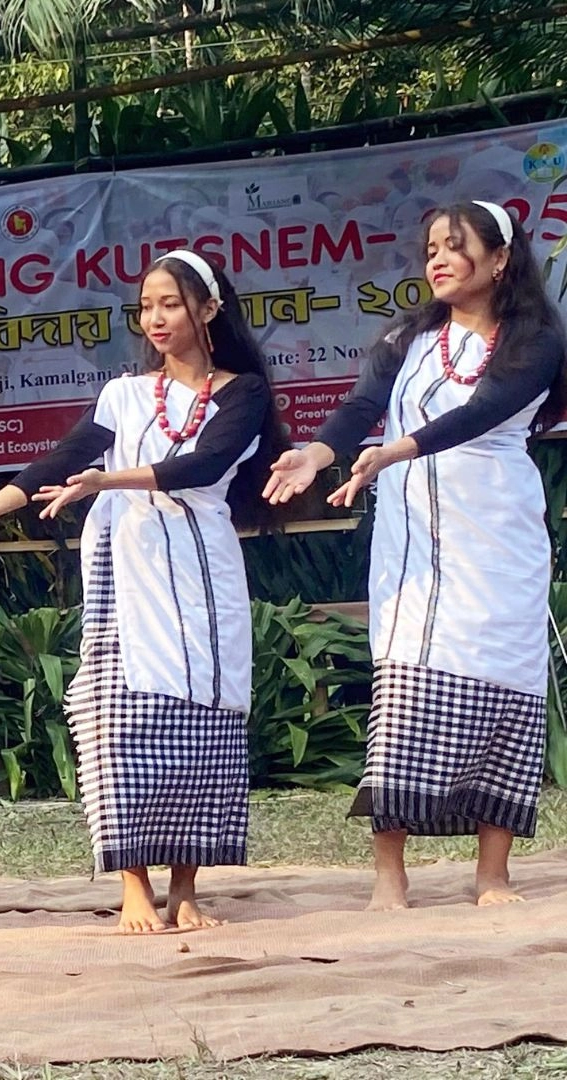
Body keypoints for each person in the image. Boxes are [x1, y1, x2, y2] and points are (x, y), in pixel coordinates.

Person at [0, 251, 285, 933]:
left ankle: (186, 889)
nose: (155, 318)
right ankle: (133, 886)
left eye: (171, 303)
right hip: (126, 573)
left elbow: (203, 463)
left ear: (209, 310)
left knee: (197, 722)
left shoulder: (243, 393)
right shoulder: (125, 395)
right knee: (113, 721)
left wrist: (103, 482)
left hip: (199, 569)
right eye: (147, 306)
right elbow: (60, 461)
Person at [265, 200, 567, 910]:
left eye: (454, 246)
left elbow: (481, 413)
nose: (437, 258)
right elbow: (358, 407)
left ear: (499, 260)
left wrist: (394, 449)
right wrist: (318, 451)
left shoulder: (534, 342)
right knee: (405, 684)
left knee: (505, 681)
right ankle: (388, 876)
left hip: (496, 530)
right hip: (413, 540)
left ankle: (492, 874)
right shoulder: (408, 338)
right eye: (431, 246)